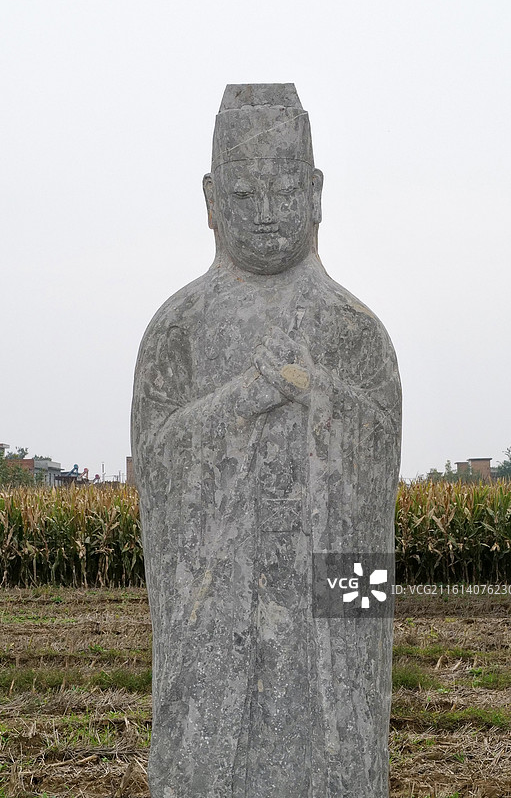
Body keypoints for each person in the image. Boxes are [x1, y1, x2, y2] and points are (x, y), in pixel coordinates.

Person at [132, 83, 401, 798]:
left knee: (345, 717)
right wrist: (239, 400)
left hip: (333, 584)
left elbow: (377, 485)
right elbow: (154, 468)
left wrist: (319, 393)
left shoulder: (352, 329)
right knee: (203, 746)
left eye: (283, 193)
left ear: (314, 192)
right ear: (210, 198)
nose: (266, 217)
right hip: (214, 604)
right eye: (244, 197)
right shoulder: (179, 328)